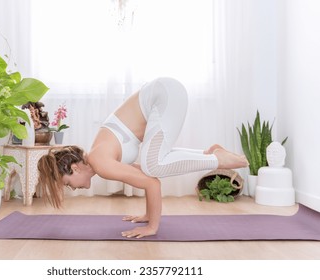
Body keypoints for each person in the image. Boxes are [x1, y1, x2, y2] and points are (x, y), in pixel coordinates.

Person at [37, 77, 248, 238]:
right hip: (165, 93)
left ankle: (217, 160)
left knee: (153, 165)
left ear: (75, 169)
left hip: (164, 96)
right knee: (153, 163)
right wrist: (148, 215)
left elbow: (152, 184)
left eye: (67, 183)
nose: (72, 188)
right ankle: (209, 154)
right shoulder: (99, 156)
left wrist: (152, 227)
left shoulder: (101, 163)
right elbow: (146, 175)